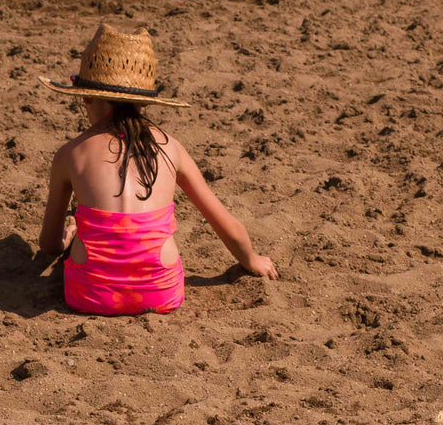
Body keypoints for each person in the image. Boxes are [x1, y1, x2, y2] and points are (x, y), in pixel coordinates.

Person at [38, 23, 277, 316]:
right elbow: (227, 225)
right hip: (161, 292)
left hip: (87, 295)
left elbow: (48, 245)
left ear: (85, 96)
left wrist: (69, 235)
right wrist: (252, 260)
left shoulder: (70, 153)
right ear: (144, 101)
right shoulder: (170, 147)